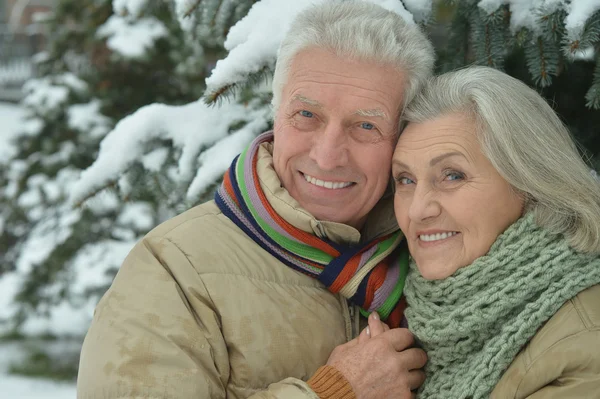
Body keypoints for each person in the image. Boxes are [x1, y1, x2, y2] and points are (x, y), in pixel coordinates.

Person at [76, 1, 435, 398]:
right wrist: (336, 392)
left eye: (366, 125)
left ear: (403, 135)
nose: (327, 155)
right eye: (307, 115)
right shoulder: (174, 268)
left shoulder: (436, 257)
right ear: (276, 114)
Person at [386, 66, 600, 398]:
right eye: (405, 180)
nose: (417, 210)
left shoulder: (585, 342)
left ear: (528, 182)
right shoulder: (405, 308)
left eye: (452, 175)